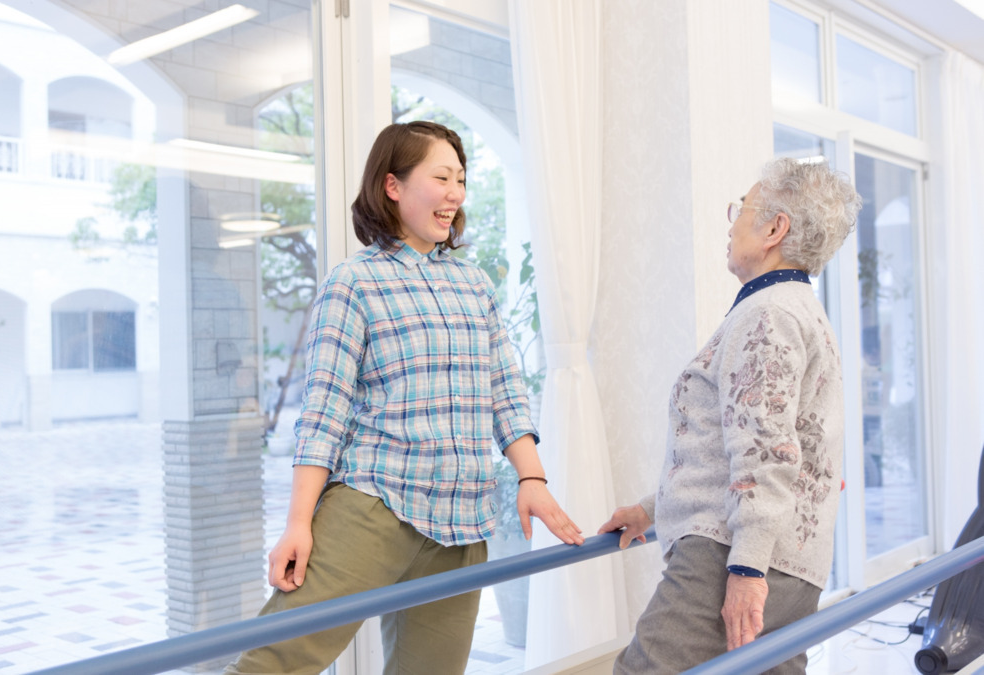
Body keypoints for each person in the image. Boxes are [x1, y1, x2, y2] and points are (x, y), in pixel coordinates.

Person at [225, 120, 583, 675]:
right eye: (441, 177)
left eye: (461, 179)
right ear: (393, 186)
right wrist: (299, 522)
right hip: (376, 504)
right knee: (273, 664)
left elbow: (504, 389)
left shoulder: (474, 285)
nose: (455, 193)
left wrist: (531, 479)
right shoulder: (354, 282)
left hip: (463, 522)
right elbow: (324, 411)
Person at [599, 157, 862, 674]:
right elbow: (751, 442)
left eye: (741, 208)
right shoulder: (795, 309)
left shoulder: (768, 315)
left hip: (731, 554)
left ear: (774, 228)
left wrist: (745, 570)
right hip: (791, 557)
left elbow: (765, 454)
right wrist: (654, 508)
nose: (732, 221)